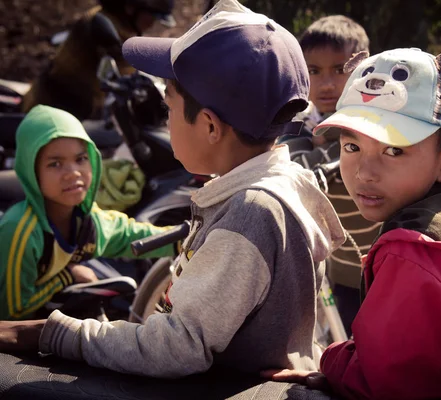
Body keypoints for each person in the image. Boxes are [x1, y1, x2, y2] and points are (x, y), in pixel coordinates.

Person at [0, 0, 345, 378]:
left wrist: (54, 333)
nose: (167, 120)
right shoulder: (280, 184)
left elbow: (177, 346)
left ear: (210, 127)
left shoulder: (251, 213)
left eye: (169, 107)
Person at [267, 48, 441, 399]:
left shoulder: (412, 256)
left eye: (394, 151)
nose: (365, 173)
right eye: (352, 146)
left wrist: (330, 360)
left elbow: (385, 386)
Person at [0, 104, 179, 321]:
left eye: (81, 159)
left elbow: (130, 236)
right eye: (55, 164)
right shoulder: (21, 231)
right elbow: (12, 311)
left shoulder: (87, 221)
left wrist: (185, 240)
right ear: (32, 172)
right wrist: (68, 276)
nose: (73, 173)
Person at [284, 15, 376, 334]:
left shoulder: (378, 121)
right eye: (314, 71)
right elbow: (296, 166)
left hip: (388, 264)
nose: (326, 84)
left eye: (340, 70)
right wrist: (332, 144)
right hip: (344, 271)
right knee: (353, 340)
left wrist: (332, 142)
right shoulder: (301, 123)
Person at [21, 0, 176, 121]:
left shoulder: (116, 23)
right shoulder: (102, 25)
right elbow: (126, 69)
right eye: (152, 16)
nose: (152, 24)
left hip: (75, 107)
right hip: (54, 107)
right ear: (131, 7)